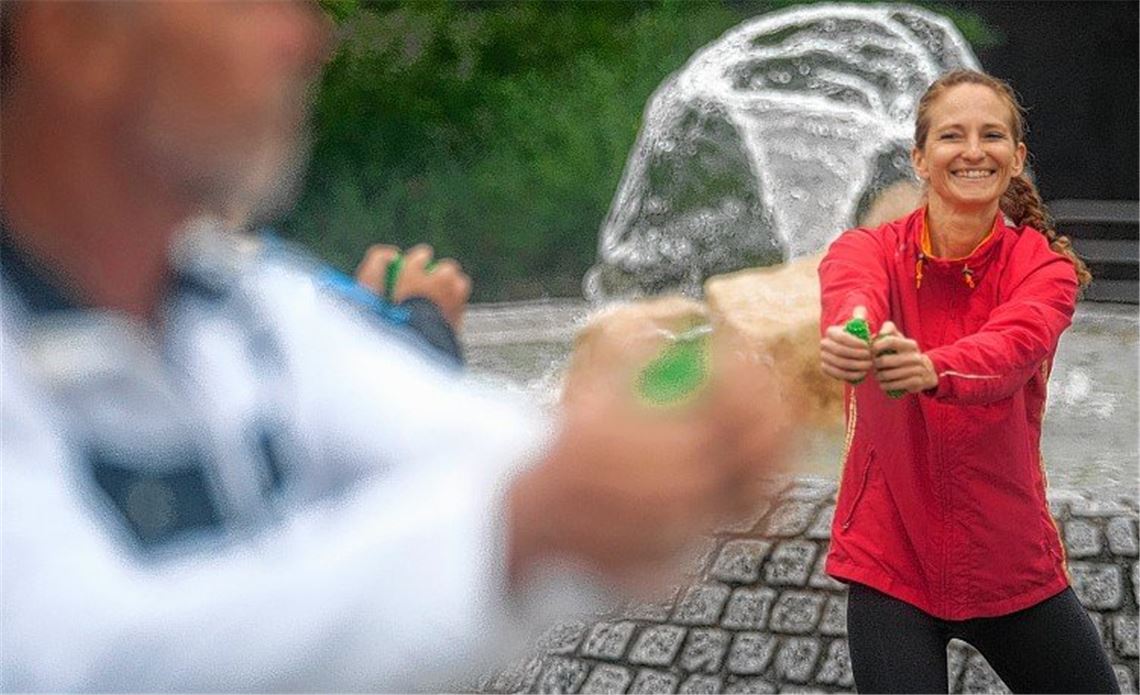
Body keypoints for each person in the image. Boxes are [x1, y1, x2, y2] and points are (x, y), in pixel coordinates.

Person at [0, 2, 789, 691]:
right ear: (72, 37)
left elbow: (481, 449)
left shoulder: (242, 311)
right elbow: (76, 660)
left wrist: (650, 457)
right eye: (247, 3)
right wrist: (522, 524)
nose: (307, 39)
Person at [818, 69, 1119, 693]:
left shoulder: (1047, 269)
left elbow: (1014, 346)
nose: (974, 150)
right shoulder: (865, 248)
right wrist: (854, 336)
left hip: (1007, 559)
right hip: (890, 560)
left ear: (1017, 160)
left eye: (992, 136)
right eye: (953, 136)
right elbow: (853, 296)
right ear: (920, 159)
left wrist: (931, 367)